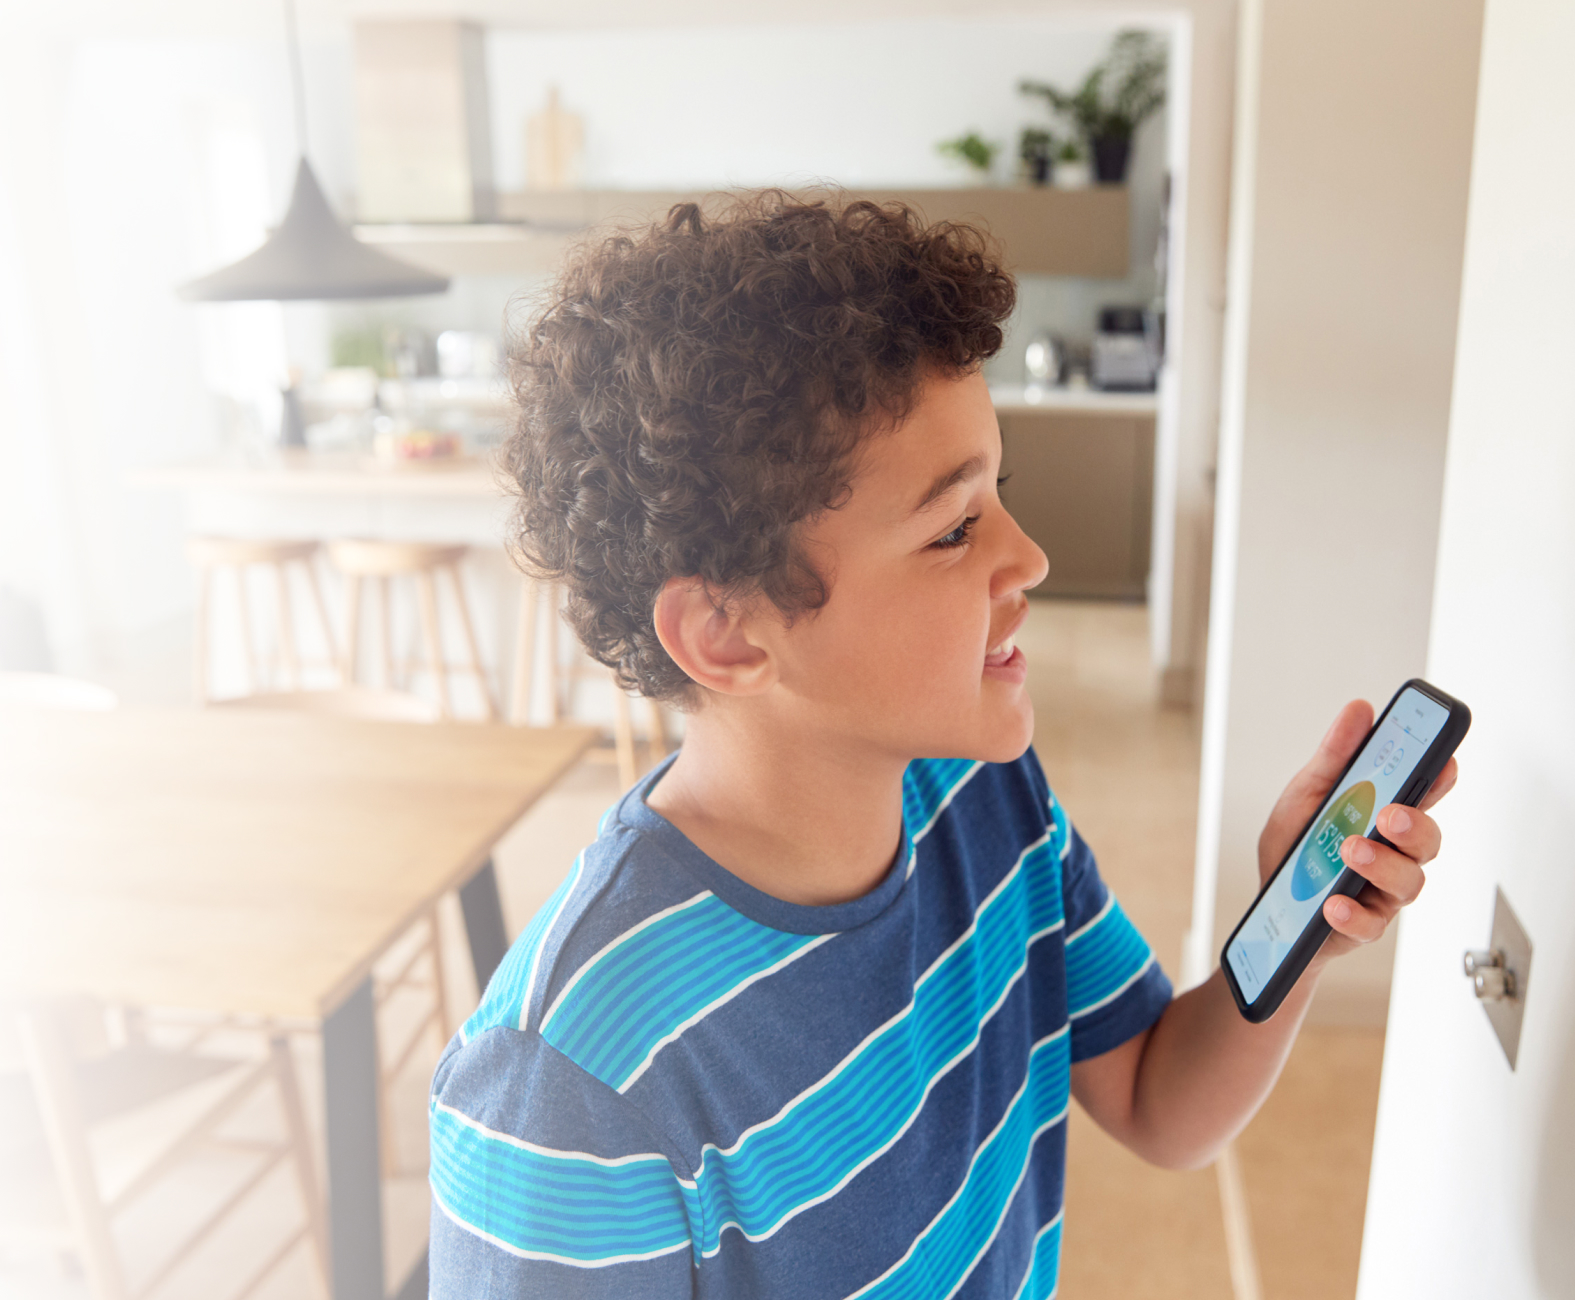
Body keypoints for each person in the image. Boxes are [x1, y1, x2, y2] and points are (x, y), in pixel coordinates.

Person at [427, 193, 1455, 1298]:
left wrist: (1292, 924)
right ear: (727, 633)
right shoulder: (572, 1081)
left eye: (996, 494)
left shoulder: (986, 796)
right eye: (954, 527)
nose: (1032, 559)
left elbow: (1164, 1104)